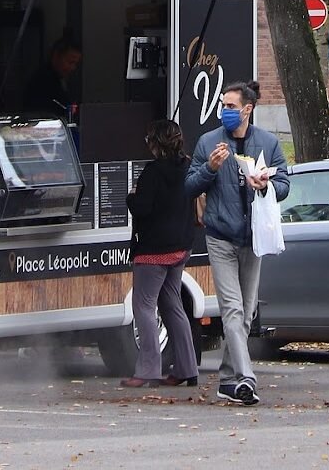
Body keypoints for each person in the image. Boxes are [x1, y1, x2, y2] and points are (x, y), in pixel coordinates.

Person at [184, 80, 288, 405]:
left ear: (248, 109)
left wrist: (265, 186)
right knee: (231, 309)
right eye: (223, 105)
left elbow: (284, 183)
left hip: (253, 237)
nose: (225, 111)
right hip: (220, 235)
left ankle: (228, 380)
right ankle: (246, 378)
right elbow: (189, 186)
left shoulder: (266, 143)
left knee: (246, 313)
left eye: (230, 106)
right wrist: (211, 169)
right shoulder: (209, 142)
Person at [119, 119, 199, 389]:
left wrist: (131, 196)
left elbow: (141, 208)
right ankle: (188, 368)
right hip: (181, 247)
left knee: (143, 306)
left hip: (153, 251)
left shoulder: (153, 173)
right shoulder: (188, 167)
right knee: (172, 304)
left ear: (156, 144)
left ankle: (147, 370)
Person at [21, 38, 81, 119]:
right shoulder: (43, 80)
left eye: (75, 64)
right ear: (56, 56)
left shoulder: (60, 79)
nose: (73, 68)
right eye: (70, 62)